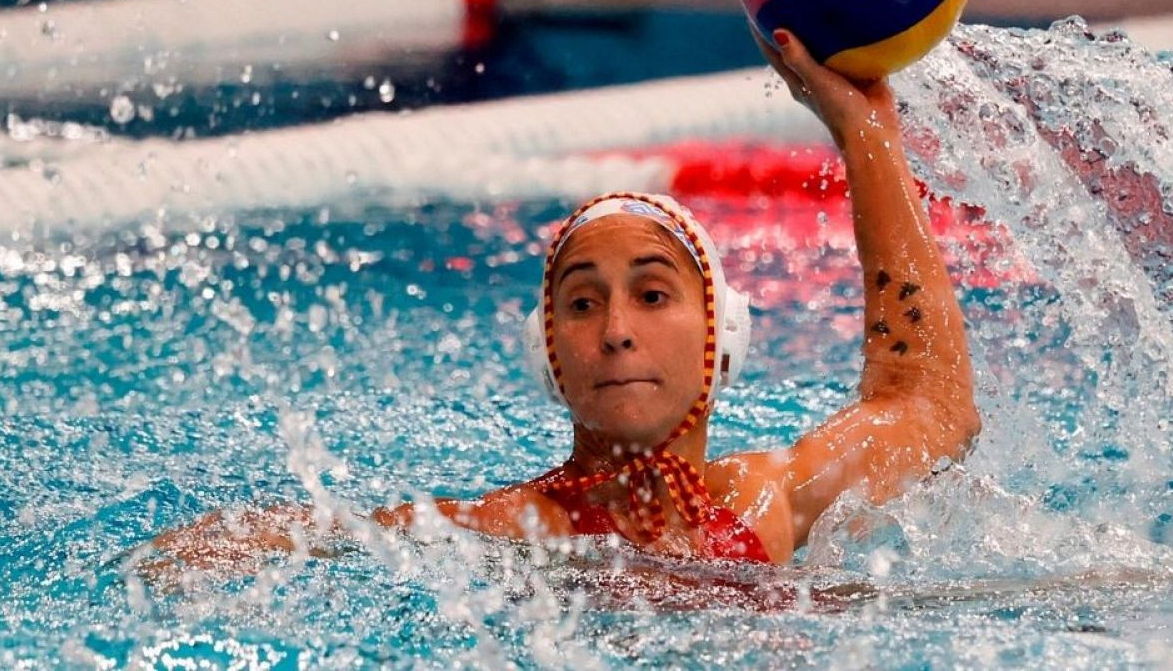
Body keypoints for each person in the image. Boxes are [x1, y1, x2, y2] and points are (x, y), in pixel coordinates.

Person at [143, 29, 979, 574]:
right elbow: (326, 530)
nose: (616, 332)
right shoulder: (512, 530)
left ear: (724, 335)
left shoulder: (772, 501)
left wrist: (866, 134)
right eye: (581, 306)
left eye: (653, 294)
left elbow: (931, 403)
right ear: (548, 355)